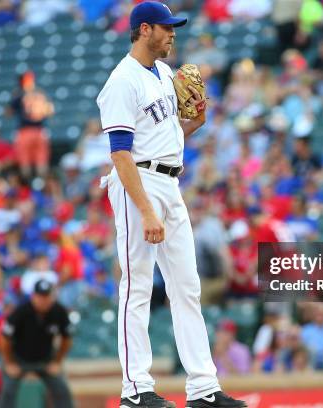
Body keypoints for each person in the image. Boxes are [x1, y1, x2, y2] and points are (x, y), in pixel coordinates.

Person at [96, 2, 246, 407]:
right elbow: (121, 154)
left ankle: (203, 388)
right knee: (138, 287)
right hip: (136, 183)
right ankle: (135, 390)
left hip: (168, 181)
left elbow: (165, 137)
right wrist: (144, 209)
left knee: (187, 287)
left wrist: (193, 124)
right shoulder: (121, 82)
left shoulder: (163, 73)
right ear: (144, 30)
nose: (173, 33)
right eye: (167, 27)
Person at [0, 280, 74, 408]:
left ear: (52, 296)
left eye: (47, 296)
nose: (44, 300)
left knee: (61, 390)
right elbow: (4, 339)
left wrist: (57, 361)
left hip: (46, 360)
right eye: (40, 296)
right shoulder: (20, 311)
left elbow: (67, 339)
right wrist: (9, 362)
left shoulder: (59, 311)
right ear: (34, 296)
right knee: (7, 391)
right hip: (19, 359)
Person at [6, 71, 54, 178]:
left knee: (25, 163)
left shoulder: (18, 94)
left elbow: (8, 113)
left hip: (25, 131)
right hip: (40, 131)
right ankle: (40, 187)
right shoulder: (41, 93)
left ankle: (30, 188)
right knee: (41, 162)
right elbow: (50, 110)